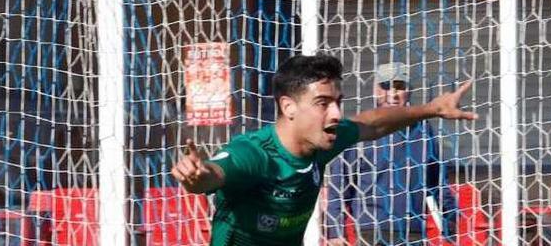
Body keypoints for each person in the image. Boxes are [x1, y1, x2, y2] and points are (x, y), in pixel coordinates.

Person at [171, 54, 476, 246]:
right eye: (323, 103)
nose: (336, 114)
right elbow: (219, 171)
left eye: (338, 102)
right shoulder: (256, 153)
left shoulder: (323, 140)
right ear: (288, 107)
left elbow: (372, 124)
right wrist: (198, 177)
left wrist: (431, 108)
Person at [324, 62, 459, 245]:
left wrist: (450, 220)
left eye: (400, 87)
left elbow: (436, 182)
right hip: (372, 229)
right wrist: (335, 232)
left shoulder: (423, 131)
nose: (392, 94)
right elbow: (339, 186)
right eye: (386, 86)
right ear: (375, 90)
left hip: (413, 231)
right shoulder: (359, 129)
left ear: (409, 91)